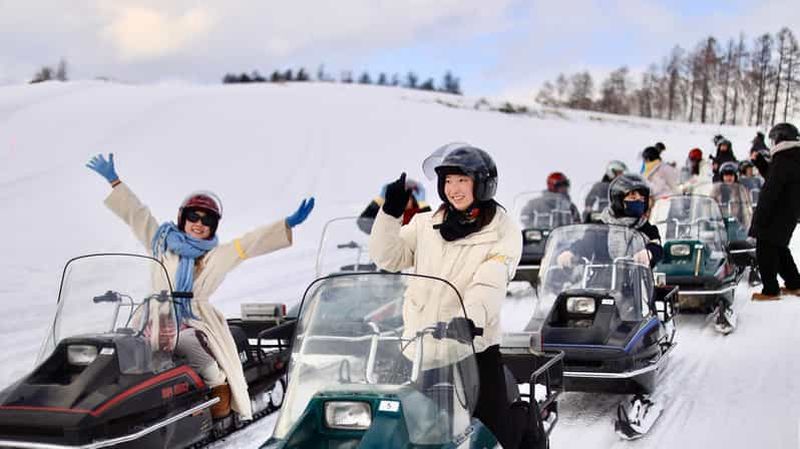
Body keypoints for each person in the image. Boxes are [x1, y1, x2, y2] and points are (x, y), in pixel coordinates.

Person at [86, 153, 315, 420]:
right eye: (193, 216)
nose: (199, 224)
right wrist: (114, 181)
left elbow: (248, 243)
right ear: (183, 218)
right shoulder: (161, 242)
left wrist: (286, 224)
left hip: (192, 319)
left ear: (213, 226)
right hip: (155, 316)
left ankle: (219, 402)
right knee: (126, 353)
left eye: (207, 221)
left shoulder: (214, 256)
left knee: (201, 358)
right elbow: (138, 216)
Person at [369, 143, 522, 448]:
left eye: (462, 180)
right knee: (408, 432)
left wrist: (469, 320)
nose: (454, 189)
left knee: (493, 433)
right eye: (448, 181)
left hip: (472, 349)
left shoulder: (502, 230)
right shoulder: (425, 224)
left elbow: (490, 282)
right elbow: (389, 257)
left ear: (483, 184)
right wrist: (390, 214)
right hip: (419, 350)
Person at [556, 173, 664, 269]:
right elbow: (585, 243)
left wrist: (649, 253)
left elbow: (656, 246)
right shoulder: (600, 227)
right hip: (602, 281)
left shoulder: (646, 228)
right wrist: (572, 252)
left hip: (636, 281)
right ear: (618, 199)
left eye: (642, 198)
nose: (638, 201)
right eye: (633, 197)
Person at [750, 123, 800, 300]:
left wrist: (761, 216)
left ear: (780, 139)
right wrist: (760, 163)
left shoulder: (784, 159)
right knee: (779, 247)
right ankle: (795, 283)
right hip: (788, 213)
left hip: (776, 213)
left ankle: (770, 290)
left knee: (765, 250)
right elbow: (775, 178)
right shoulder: (792, 157)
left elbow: (772, 189)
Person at [356, 177, 430, 234]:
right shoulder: (390, 215)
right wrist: (380, 199)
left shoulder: (420, 217)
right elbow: (363, 222)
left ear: (415, 199)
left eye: (407, 196)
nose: (403, 199)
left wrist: (423, 204)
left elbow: (431, 230)